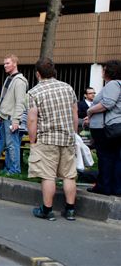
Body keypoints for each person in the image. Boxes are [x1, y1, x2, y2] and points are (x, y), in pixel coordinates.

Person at [27, 58, 78, 221]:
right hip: (67, 137)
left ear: (38, 74)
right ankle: (70, 210)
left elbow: (32, 120)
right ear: (54, 71)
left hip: (47, 138)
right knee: (69, 175)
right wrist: (73, 134)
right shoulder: (67, 88)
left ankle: (47, 210)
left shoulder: (34, 93)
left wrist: (33, 140)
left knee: (48, 175)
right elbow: (74, 115)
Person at [85, 60, 121, 196]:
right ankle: (116, 187)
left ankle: (104, 186)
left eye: (103, 69)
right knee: (115, 158)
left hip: (106, 129)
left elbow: (107, 103)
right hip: (113, 127)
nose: (102, 71)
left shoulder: (112, 84)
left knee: (106, 157)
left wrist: (90, 111)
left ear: (109, 71)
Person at [0, 54, 28, 175]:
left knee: (13, 145)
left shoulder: (20, 82)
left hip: (12, 118)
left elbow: (20, 102)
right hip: (4, 117)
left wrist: (16, 120)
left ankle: (15, 170)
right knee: (7, 145)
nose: (4, 65)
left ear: (15, 64)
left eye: (7, 63)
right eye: (4, 63)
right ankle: (8, 168)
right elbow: (5, 99)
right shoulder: (9, 78)